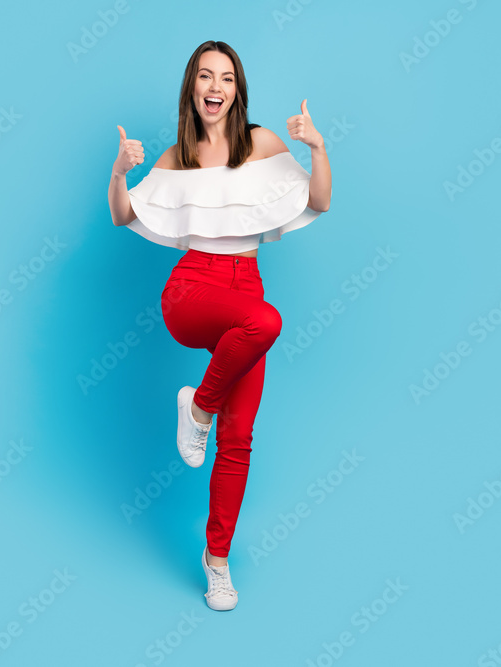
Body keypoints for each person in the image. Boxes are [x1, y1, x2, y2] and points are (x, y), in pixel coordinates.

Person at [107, 40, 332, 611]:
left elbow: (320, 201)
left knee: (238, 438)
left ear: (238, 90)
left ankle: (218, 561)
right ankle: (199, 408)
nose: (216, 87)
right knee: (266, 322)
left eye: (226, 78)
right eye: (206, 76)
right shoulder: (176, 156)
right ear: (192, 87)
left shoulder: (262, 143)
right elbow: (123, 214)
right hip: (192, 288)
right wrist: (119, 172)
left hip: (245, 285)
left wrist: (317, 147)